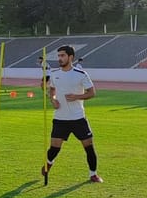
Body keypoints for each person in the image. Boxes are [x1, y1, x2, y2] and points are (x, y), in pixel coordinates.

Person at [42, 45, 103, 183]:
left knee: (89, 147)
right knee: (54, 149)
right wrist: (53, 100)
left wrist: (76, 96)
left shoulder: (81, 74)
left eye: (62, 56)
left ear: (71, 57)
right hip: (60, 119)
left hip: (78, 119)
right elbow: (51, 90)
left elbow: (92, 93)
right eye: (58, 56)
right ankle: (48, 163)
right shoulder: (54, 74)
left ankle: (93, 174)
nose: (60, 58)